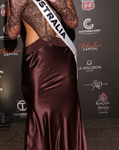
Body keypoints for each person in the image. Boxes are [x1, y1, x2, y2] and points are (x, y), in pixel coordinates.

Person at [6, 0, 87, 149]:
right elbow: (12, 33)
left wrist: (59, 3)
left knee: (66, 111)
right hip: (37, 60)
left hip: (63, 59)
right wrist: (16, 9)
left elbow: (73, 23)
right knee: (40, 110)